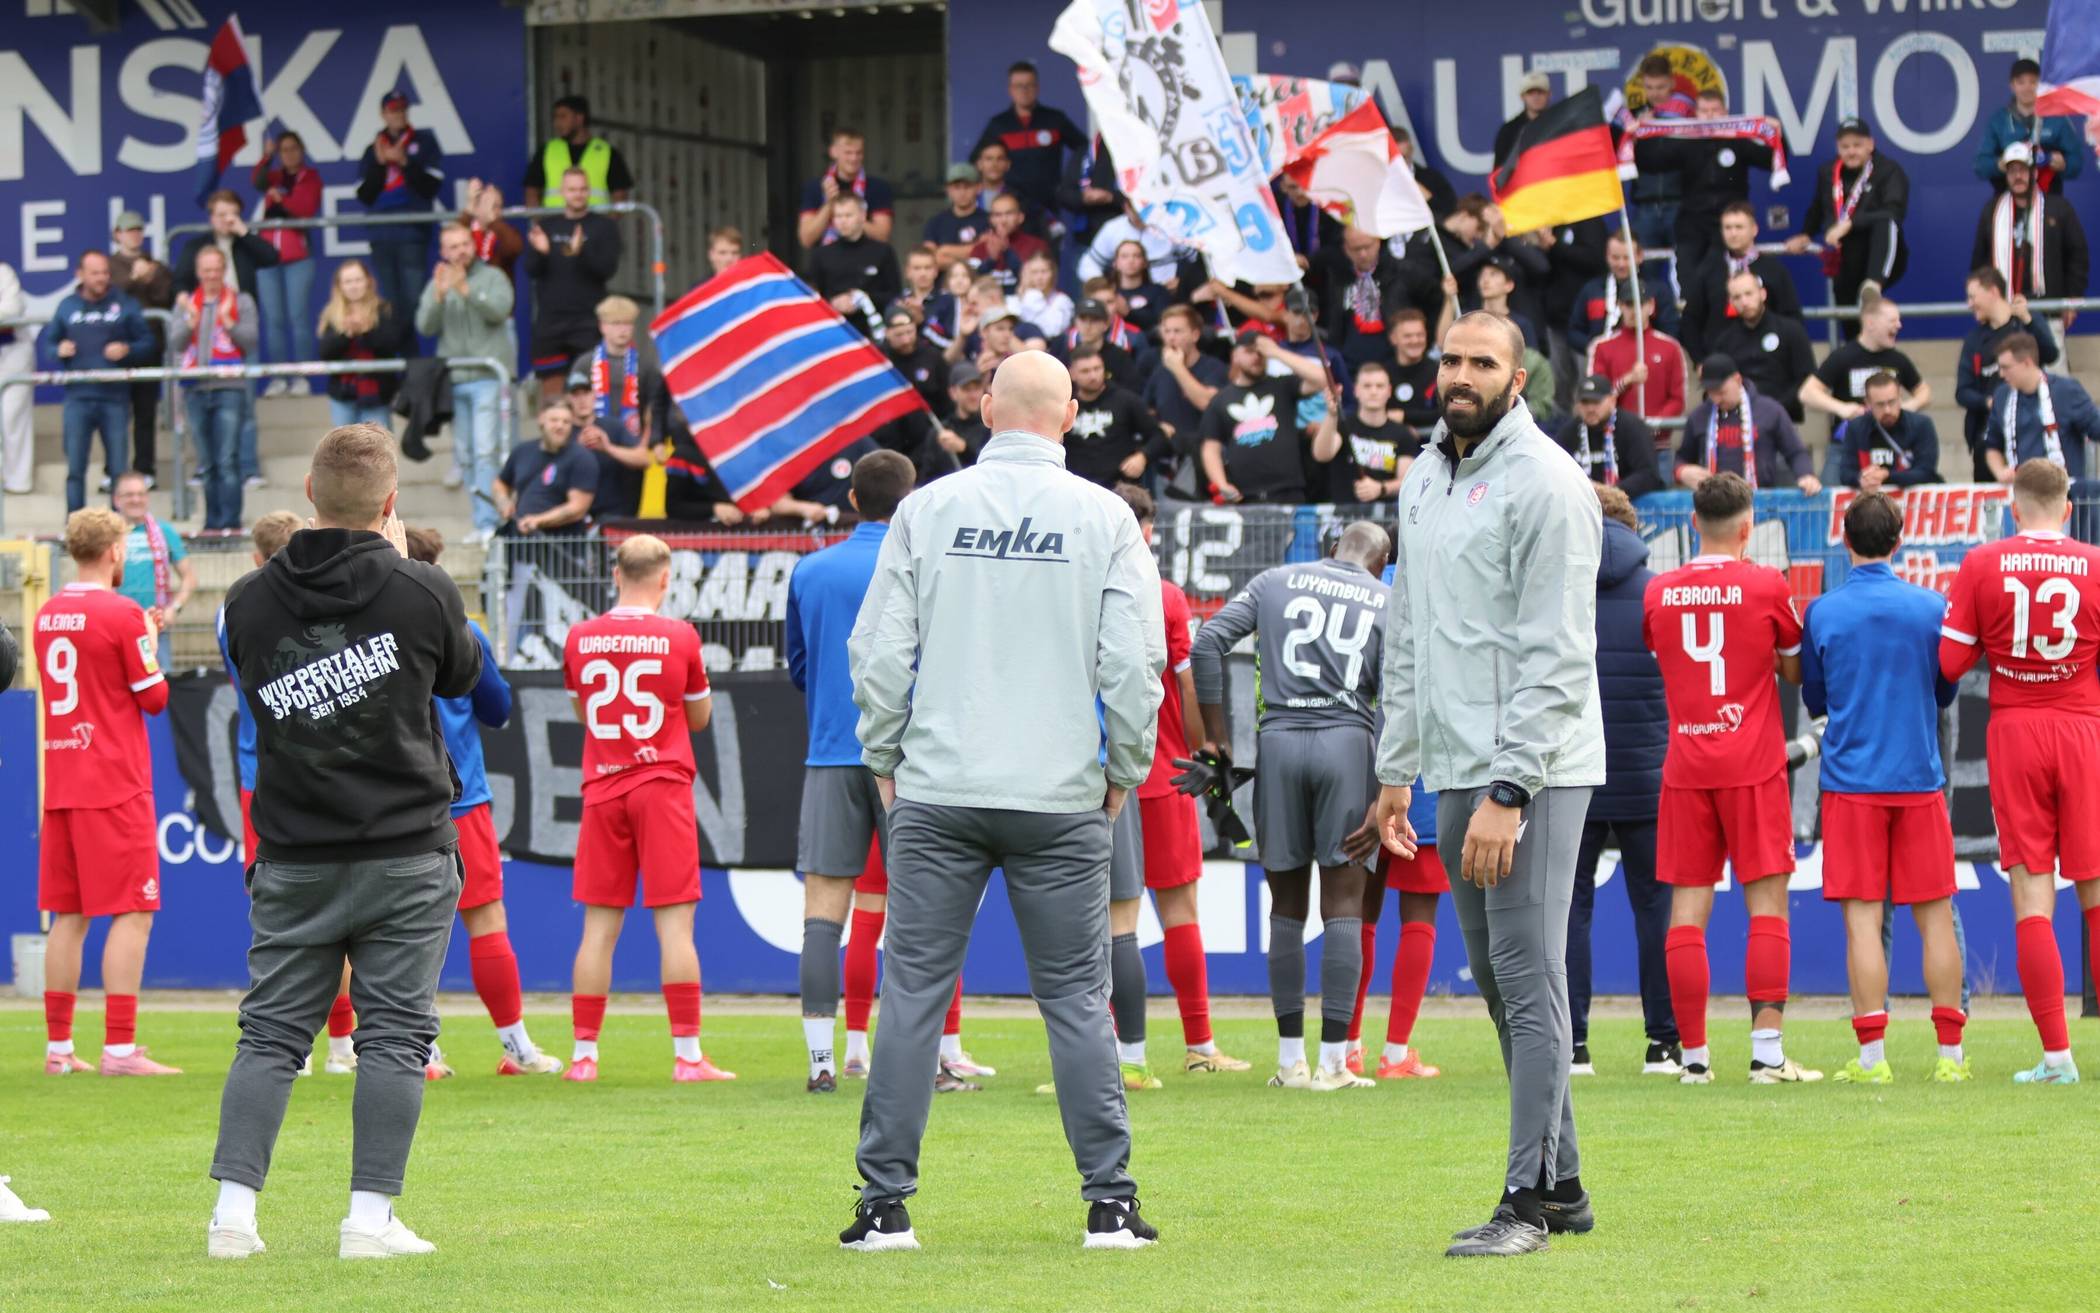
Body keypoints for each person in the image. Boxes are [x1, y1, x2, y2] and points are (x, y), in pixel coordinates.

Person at [843, 350, 1164, 1253]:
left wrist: (884, 755)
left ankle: (883, 1206)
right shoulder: (1105, 516)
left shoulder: (927, 508)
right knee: (1074, 999)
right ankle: (1108, 1202)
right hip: (1060, 793)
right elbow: (1134, 666)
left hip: (940, 789)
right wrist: (1121, 771)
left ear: (987, 409)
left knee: (911, 992)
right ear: (1069, 418)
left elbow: (877, 653)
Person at [210, 423, 483, 1260]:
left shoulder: (246, 601)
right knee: (395, 1036)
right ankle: (368, 1220)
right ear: (390, 503)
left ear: (311, 498)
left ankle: (233, 1217)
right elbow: (463, 676)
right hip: (407, 848)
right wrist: (404, 565)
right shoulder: (422, 587)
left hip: (295, 850)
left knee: (269, 1035)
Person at [1371, 311, 1605, 1256]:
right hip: (1453, 765)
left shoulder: (1549, 481)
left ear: (1519, 378)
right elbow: (1410, 631)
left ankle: (1528, 1203)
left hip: (1532, 770)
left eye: (1482, 362)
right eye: (1451, 360)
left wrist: (1512, 787)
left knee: (1528, 976)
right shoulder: (1425, 474)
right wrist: (1396, 768)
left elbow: (1558, 649)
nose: (1460, 375)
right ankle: (1568, 1184)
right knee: (1509, 990)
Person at [1189, 521, 1391, 1092]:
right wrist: (1386, 791)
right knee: (1345, 900)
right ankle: (1333, 1065)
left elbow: (1207, 643)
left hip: (1278, 743)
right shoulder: (1388, 601)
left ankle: (1287, 1063)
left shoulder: (1275, 580)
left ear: (1332, 549)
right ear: (1380, 562)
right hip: (1348, 744)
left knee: (1285, 905)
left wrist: (1216, 739)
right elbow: (1405, 696)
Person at [1643, 472, 1819, 1087]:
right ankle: (1767, 1054)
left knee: (1688, 911)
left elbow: (1663, 654)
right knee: (1766, 905)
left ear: (1694, 523)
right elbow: (1794, 670)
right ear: (1748, 529)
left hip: (1687, 765)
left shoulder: (1659, 591)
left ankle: (1693, 1058)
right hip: (1753, 764)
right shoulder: (1767, 584)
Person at [1799, 492, 1969, 1085]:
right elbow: (1944, 689)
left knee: (1863, 920)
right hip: (1918, 777)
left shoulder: (1822, 611)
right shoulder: (1931, 606)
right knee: (1935, 916)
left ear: (1845, 542)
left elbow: (1814, 699)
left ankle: (1872, 1058)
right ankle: (1950, 1057)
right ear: (1900, 541)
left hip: (1851, 783)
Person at [1941, 459, 2100, 1084]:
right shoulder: (2094, 563)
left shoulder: (1983, 564)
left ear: (2013, 508)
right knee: (2094, 890)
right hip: (2082, 728)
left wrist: (1991, 640)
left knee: (2033, 894)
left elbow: (1951, 663)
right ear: (2066, 508)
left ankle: (2058, 1057)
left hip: (2016, 731)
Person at [558, 534, 730, 1083]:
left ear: (615, 575)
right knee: (675, 927)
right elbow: (699, 719)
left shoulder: (579, 637)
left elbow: (585, 714)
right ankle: (686, 1057)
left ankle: (584, 1057)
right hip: (661, 784)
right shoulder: (679, 636)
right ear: (665, 577)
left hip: (603, 786)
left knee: (597, 929)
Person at [396, 528, 557, 1080]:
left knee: (401, 930)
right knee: (485, 919)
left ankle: (420, 1052)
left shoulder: (369, 633)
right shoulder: (463, 631)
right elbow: (498, 707)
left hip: (391, 799)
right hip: (460, 797)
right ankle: (517, 1048)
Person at [788, 451, 923, 1091]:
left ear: (851, 502)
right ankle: (912, 1058)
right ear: (910, 499)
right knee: (920, 912)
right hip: (907, 760)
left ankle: (820, 1063)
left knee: (823, 913)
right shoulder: (920, 563)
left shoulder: (809, 571)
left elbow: (798, 667)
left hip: (830, 754)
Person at [34, 506, 175, 1079]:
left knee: (68, 915)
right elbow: (155, 697)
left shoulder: (45, 614)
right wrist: (146, 638)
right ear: (115, 551)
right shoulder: (120, 614)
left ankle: (59, 1049)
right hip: (114, 781)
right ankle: (120, 1049)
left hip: (62, 777)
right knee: (133, 911)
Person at [216, 510, 354, 1077]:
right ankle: (343, 1046)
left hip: (265, 777)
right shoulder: (333, 605)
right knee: (347, 910)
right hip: (331, 769)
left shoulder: (239, 612)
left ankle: (284, 1043)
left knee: (278, 912)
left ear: (255, 558)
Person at [1115, 485, 1245, 1077]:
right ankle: (1200, 1046)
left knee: (1110, 922)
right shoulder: (1167, 598)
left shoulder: (1085, 590)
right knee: (1180, 912)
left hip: (1102, 782)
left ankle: (1119, 1053)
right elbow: (1191, 684)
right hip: (1163, 775)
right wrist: (1204, 751)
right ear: (1147, 530)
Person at [1573, 487, 1678, 1076]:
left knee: (1569, 910)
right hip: (1646, 773)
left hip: (1574, 774)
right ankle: (1663, 1044)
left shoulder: (1559, 589)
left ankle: (1573, 1047)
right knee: (1656, 910)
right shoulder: (1657, 593)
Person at [416, 222, 516, 543]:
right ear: (444, 252)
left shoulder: (493, 276)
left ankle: (489, 521)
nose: (461, 251)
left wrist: (466, 291)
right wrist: (440, 294)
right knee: (467, 454)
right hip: (456, 380)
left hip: (488, 378)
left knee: (487, 451)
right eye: (453, 247)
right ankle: (480, 520)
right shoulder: (438, 281)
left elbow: (500, 311)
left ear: (473, 246)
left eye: (465, 245)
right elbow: (425, 326)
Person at [39, 250, 153, 513]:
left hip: (114, 398)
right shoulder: (67, 305)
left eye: (105, 272)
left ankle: (117, 529)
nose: (102, 278)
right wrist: (59, 350)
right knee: (75, 469)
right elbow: (49, 345)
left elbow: (147, 342)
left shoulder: (125, 303)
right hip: (77, 398)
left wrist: (127, 349)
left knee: (117, 470)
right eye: (95, 273)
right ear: (80, 275)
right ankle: (75, 528)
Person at [1629, 89, 1780, 276]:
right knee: (1689, 277)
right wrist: (1636, 138)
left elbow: (1771, 160)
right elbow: (1652, 163)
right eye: (1704, 110)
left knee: (1725, 276)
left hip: (1729, 222)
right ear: (1695, 114)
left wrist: (1778, 134)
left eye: (1714, 110)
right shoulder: (1686, 142)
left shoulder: (1739, 141)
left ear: (1725, 112)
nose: (1709, 116)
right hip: (1694, 223)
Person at [166, 246, 259, 531]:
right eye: (206, 270)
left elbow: (251, 341)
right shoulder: (187, 305)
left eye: (216, 269)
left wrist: (229, 323)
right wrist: (188, 323)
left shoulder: (241, 301)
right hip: (195, 389)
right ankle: (211, 524)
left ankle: (230, 524)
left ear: (224, 270)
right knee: (206, 463)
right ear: (198, 272)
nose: (211, 275)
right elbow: (175, 343)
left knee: (227, 459)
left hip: (228, 387)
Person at [1197, 329, 1341, 505]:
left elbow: (1323, 379)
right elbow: (1210, 447)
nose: (1257, 357)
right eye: (1250, 351)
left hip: (1288, 491)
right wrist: (1221, 484)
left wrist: (1276, 352)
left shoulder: (1282, 385)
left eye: (1261, 352)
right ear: (1235, 355)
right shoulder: (1220, 400)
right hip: (1244, 496)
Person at [1787, 118, 1908, 312]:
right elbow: (1818, 208)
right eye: (1845, 146)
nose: (1851, 151)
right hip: (1844, 253)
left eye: (1857, 145)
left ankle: (1873, 286)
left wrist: (1850, 224)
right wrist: (1806, 234)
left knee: (1886, 221)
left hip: (1878, 250)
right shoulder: (1827, 172)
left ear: (1870, 144)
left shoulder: (1888, 170)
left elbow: (1895, 211)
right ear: (1838, 147)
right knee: (1849, 320)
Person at [525, 168, 624, 399]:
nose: (577, 194)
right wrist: (542, 252)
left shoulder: (604, 227)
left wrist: (582, 252)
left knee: (590, 393)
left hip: (588, 321)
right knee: (552, 396)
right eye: (572, 189)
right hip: (551, 322)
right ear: (562, 192)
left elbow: (607, 270)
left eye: (582, 189)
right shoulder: (547, 226)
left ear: (589, 191)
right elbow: (531, 270)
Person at [1956, 267, 2060, 480]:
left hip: (2030, 432)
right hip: (1988, 439)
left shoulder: (2025, 322)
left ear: (1993, 291)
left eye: (1973, 296)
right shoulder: (1974, 341)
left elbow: (2050, 354)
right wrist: (1988, 402)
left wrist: (2029, 320)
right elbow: (1962, 392)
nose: (1969, 304)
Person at [568, 295, 662, 521]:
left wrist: (647, 442)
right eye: (616, 324)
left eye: (627, 324)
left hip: (629, 445)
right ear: (603, 327)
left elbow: (653, 408)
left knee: (626, 515)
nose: (623, 330)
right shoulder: (585, 362)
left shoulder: (645, 365)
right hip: (592, 447)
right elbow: (572, 404)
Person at [1971, 143, 2089, 315]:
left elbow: (2077, 256)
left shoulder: (2059, 208)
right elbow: (1979, 260)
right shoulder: (1992, 211)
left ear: (2034, 173)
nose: (2018, 176)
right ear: (2006, 176)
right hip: (2002, 311)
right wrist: (1981, 301)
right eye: (2012, 171)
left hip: (2048, 310)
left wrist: (2073, 299)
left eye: (2023, 169)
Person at [1674, 355, 1819, 495]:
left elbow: (1795, 452)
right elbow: (1682, 458)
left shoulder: (1770, 410)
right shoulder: (1699, 416)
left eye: (1721, 392)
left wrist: (1806, 475)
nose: (1716, 400)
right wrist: (1682, 471)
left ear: (1737, 379)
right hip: (1714, 504)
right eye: (1711, 393)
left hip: (1761, 500)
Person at [354, 92, 445, 315]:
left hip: (412, 233)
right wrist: (381, 164)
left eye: (402, 109)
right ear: (383, 114)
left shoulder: (424, 142)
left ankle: (414, 351)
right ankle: (403, 351)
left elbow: (430, 188)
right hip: (381, 235)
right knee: (391, 305)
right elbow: (365, 196)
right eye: (393, 110)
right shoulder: (372, 150)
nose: (399, 114)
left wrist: (404, 161)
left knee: (415, 301)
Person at [1798, 295, 1930, 445]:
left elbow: (1924, 392)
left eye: (1899, 320)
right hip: (1848, 442)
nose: (1899, 325)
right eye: (1892, 320)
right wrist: (1842, 408)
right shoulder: (1843, 357)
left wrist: (1905, 408)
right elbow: (1807, 393)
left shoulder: (1898, 359)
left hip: (1890, 443)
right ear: (1870, 323)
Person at [1680, 202, 1803, 361]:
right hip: (1721, 362)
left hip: (1767, 360)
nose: (1733, 233)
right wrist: (1700, 361)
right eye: (1728, 228)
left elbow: (1792, 316)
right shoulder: (1708, 270)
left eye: (1739, 227)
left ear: (1754, 229)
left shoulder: (1774, 270)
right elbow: (1690, 318)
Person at [250, 132, 323, 395]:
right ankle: (279, 377)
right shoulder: (275, 177)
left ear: (302, 150)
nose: (289, 154)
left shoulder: (310, 177)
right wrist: (267, 156)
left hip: (298, 258)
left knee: (299, 316)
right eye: (283, 150)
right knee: (274, 319)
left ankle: (302, 377)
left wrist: (282, 200)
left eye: (293, 148)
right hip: (268, 258)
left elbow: (304, 209)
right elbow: (257, 180)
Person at [108, 214, 173, 487]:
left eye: (138, 230)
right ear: (117, 234)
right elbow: (111, 295)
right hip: (114, 349)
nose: (134, 235)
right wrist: (136, 280)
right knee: (115, 413)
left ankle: (145, 468)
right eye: (128, 230)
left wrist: (147, 278)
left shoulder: (156, 266)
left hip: (148, 347)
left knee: (145, 411)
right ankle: (113, 470)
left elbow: (165, 297)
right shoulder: (108, 266)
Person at [1984, 331, 2100, 482]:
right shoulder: (2002, 396)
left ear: (2027, 363)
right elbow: (1992, 444)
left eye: (2006, 367)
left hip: (2064, 493)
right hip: (2022, 493)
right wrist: (2000, 471)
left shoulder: (2066, 391)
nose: (2001, 374)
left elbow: (2096, 428)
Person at [112, 472, 195, 672]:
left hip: (156, 626)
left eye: (141, 494)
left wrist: (173, 608)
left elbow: (189, 577)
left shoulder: (164, 532)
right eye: (129, 495)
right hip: (116, 626)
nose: (136, 499)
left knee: (160, 686)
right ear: (117, 499)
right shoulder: (108, 533)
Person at [973, 61, 1082, 214]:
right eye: (1018, 86)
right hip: (1011, 205)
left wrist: (1070, 183)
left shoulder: (1055, 119)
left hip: (1048, 203)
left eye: (1029, 85)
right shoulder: (999, 124)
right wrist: (980, 186)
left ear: (1037, 88)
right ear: (1010, 90)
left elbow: (1083, 149)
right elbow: (976, 159)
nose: (1024, 91)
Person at [316, 259, 412, 430]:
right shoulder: (331, 313)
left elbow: (392, 344)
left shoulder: (385, 310)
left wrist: (366, 331)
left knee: (378, 451)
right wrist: (346, 334)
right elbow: (324, 352)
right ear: (340, 286)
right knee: (344, 451)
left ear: (369, 281)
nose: (353, 286)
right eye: (348, 281)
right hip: (343, 395)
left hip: (377, 395)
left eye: (358, 280)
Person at [1708, 270, 1815, 422]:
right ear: (1731, 302)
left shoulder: (1791, 330)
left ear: (1762, 294)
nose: (1744, 302)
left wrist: (1774, 409)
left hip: (1784, 419)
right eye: (1737, 297)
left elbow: (1806, 378)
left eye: (1749, 293)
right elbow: (1717, 385)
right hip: (1739, 422)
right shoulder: (1724, 341)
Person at [1973, 57, 2084, 196]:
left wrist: (2064, 165)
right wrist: (2000, 164)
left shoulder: (2057, 118)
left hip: (2050, 200)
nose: (2027, 88)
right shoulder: (1998, 121)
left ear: (2041, 85)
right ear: (2012, 86)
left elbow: (2076, 161)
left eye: (2033, 82)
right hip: (2008, 199)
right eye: (2021, 82)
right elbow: (1980, 166)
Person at [1063, 345, 1168, 491]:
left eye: (1097, 368)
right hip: (1076, 486)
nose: (1093, 376)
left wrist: (1142, 457)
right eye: (1085, 371)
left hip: (1119, 487)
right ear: (1072, 374)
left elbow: (1159, 436)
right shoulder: (1065, 405)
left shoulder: (1125, 400)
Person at [1583, 280, 1686, 422]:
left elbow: (1677, 399)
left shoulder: (1671, 347)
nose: (1635, 311)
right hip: (1615, 436)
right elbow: (1596, 395)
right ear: (1620, 306)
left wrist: (1652, 426)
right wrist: (1626, 381)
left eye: (1640, 304)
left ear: (1651, 305)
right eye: (1629, 304)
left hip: (1658, 438)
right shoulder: (1602, 347)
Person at [494, 399, 598, 537]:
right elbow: (501, 483)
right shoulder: (522, 451)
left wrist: (538, 520)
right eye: (554, 420)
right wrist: (503, 502)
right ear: (541, 420)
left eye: (566, 422)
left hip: (562, 545)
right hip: (520, 542)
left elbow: (578, 508)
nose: (560, 426)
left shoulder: (582, 458)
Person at [1554, 373, 1661, 496]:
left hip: (1627, 505)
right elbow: (1555, 472)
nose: (1590, 408)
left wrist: (1609, 493)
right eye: (1585, 402)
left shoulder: (1632, 427)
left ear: (1612, 401)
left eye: (1596, 402)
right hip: (1583, 504)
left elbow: (1648, 474)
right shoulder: (1569, 432)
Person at [1331, 360, 1421, 503]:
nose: (1373, 391)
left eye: (1379, 386)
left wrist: (1380, 488)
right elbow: (1322, 454)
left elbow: (1406, 481)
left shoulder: (1403, 434)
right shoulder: (1342, 426)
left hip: (1384, 518)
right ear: (1356, 390)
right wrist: (1331, 415)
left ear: (1389, 391)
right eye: (1367, 386)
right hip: (1344, 516)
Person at [524, 94, 634, 208]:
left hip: (594, 224)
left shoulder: (607, 152)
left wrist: (605, 224)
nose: (557, 123)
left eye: (563, 117)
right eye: (555, 117)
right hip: (555, 224)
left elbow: (620, 198)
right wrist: (541, 223)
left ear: (579, 118)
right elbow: (531, 191)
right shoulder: (546, 151)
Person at [1327, 227, 1416, 368]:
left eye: (1367, 247)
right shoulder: (1338, 277)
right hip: (1351, 364)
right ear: (1346, 249)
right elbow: (1335, 324)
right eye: (1356, 249)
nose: (1363, 254)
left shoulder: (1400, 272)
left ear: (1378, 242)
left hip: (1393, 362)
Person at [1837, 372, 1942, 489]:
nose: (1887, 410)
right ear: (1868, 403)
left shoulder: (1921, 425)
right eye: (1880, 404)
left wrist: (1886, 475)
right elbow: (1845, 473)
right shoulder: (1856, 428)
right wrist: (1861, 478)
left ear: (1900, 397)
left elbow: (1926, 472)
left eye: (1892, 402)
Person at [799, 126, 894, 247]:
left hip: (865, 259)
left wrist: (853, 215)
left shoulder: (878, 187)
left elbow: (882, 236)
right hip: (826, 261)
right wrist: (829, 205)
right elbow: (806, 239)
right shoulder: (815, 187)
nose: (853, 158)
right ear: (833, 152)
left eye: (858, 153)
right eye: (848, 153)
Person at [968, 193, 1047, 295]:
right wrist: (991, 261)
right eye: (997, 215)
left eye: (1009, 214)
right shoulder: (979, 248)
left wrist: (1007, 252)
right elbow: (970, 282)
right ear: (991, 219)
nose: (1003, 220)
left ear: (1020, 217)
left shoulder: (1036, 246)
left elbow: (1037, 281)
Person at [1382, 309, 1442, 430]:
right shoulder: (1383, 373)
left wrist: (1404, 416)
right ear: (1393, 338)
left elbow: (1444, 414)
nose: (1415, 341)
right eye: (1407, 336)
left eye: (1420, 335)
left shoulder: (1439, 372)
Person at [0, 260, 30, 494]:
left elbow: (10, 310)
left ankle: (19, 482)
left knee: (12, 415)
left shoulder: (4, 272)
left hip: (12, 352)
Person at [925, 163, 990, 267]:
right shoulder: (935, 222)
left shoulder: (989, 221)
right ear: (948, 190)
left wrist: (944, 250)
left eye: (967, 187)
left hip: (978, 282)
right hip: (944, 283)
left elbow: (987, 254)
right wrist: (972, 255)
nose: (962, 192)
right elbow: (930, 261)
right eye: (956, 187)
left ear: (979, 188)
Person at [462, 179, 524, 279]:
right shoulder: (465, 230)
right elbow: (450, 243)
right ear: (476, 207)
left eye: (497, 206)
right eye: (486, 204)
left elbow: (514, 248)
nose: (491, 210)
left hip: (498, 292)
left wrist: (492, 221)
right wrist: (469, 208)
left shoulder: (505, 232)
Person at [1494, 72, 1553, 169]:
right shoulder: (1509, 130)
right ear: (1522, 96)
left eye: (1540, 92)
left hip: (1553, 182)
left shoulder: (1560, 124)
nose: (1536, 97)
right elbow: (1499, 169)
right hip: (1523, 183)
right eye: (1530, 93)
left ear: (1549, 94)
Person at [1015, 250, 1073, 339]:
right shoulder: (1016, 300)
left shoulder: (1062, 300)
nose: (1039, 277)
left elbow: (1051, 331)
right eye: (1034, 272)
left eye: (1044, 271)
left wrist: (1031, 293)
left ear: (1053, 273)